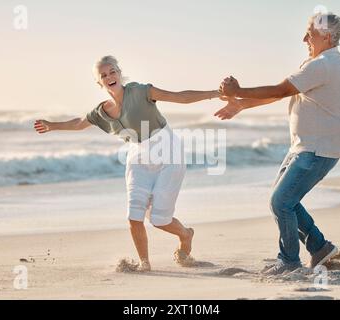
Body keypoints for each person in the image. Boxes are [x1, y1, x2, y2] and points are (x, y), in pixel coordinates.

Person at [34, 56, 219, 271]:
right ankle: (144, 263)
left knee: (159, 219)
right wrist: (52, 125)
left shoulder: (140, 91)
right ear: (99, 83)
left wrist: (212, 94)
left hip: (168, 152)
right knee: (134, 214)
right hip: (138, 157)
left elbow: (178, 97)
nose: (109, 77)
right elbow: (78, 123)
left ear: (119, 73)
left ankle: (186, 234)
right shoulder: (100, 112)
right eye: (103, 75)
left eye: (112, 71)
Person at [216, 12, 340, 275]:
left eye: (309, 34)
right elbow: (283, 93)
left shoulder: (323, 65)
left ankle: (289, 260)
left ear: (326, 36)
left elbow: (279, 90)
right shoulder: (320, 62)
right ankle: (321, 249)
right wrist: (241, 105)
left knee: (281, 202)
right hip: (305, 146)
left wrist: (238, 91)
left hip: (317, 148)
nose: (304, 39)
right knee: (284, 200)